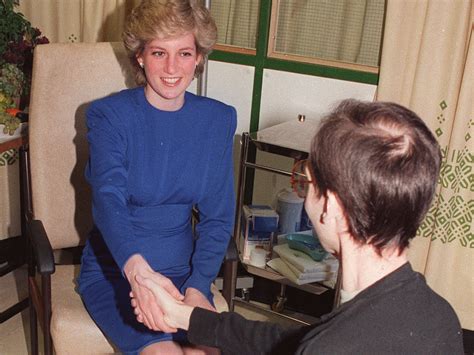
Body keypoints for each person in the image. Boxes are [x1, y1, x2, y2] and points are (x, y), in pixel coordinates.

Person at [135, 100, 464, 354]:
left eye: (307, 182)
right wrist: (186, 318)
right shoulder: (440, 317)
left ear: (330, 207)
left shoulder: (330, 347)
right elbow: (294, 340)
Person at [77, 0, 236, 354]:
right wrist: (139, 276)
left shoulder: (217, 120)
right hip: (119, 271)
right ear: (139, 56)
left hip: (185, 270)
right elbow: (108, 201)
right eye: (159, 52)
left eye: (184, 53)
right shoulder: (109, 116)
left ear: (198, 58)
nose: (171, 67)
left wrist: (198, 285)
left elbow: (218, 216)